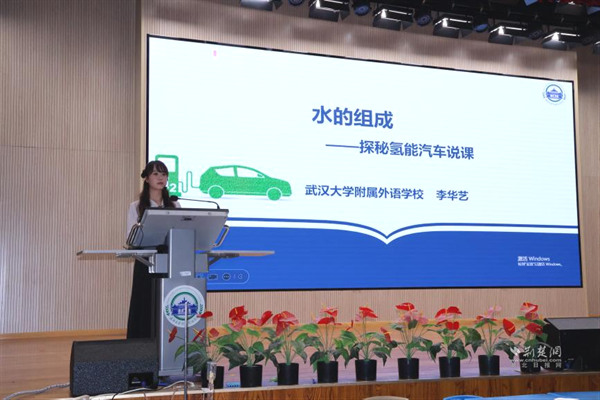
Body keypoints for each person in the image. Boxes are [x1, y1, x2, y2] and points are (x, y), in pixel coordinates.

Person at [126, 160, 180, 339]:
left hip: (169, 261)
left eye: (164, 174)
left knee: (168, 302)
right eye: (156, 174)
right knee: (145, 303)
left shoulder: (175, 205)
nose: (160, 178)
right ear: (147, 178)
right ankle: (141, 345)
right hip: (146, 260)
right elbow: (130, 237)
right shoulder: (136, 206)